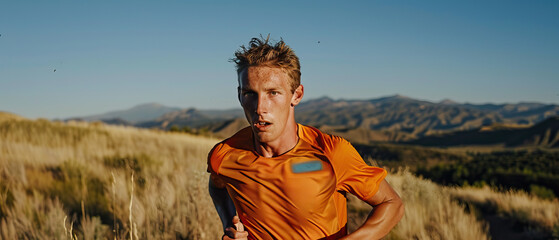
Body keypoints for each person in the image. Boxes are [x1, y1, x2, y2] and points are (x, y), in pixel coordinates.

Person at [208, 36, 404, 240]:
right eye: (250, 93)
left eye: (273, 93)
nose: (260, 108)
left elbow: (391, 204)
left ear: (296, 95)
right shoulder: (224, 155)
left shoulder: (330, 153)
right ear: (239, 95)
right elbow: (217, 185)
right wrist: (230, 223)